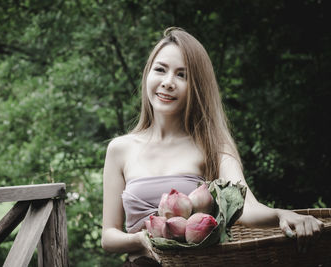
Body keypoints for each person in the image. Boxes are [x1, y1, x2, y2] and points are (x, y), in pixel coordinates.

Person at [101, 27, 323, 266]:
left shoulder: (212, 144)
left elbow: (246, 209)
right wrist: (141, 239)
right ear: (147, 74)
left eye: (182, 75)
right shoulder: (120, 149)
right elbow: (108, 236)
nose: (167, 82)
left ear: (196, 86)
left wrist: (282, 214)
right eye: (160, 70)